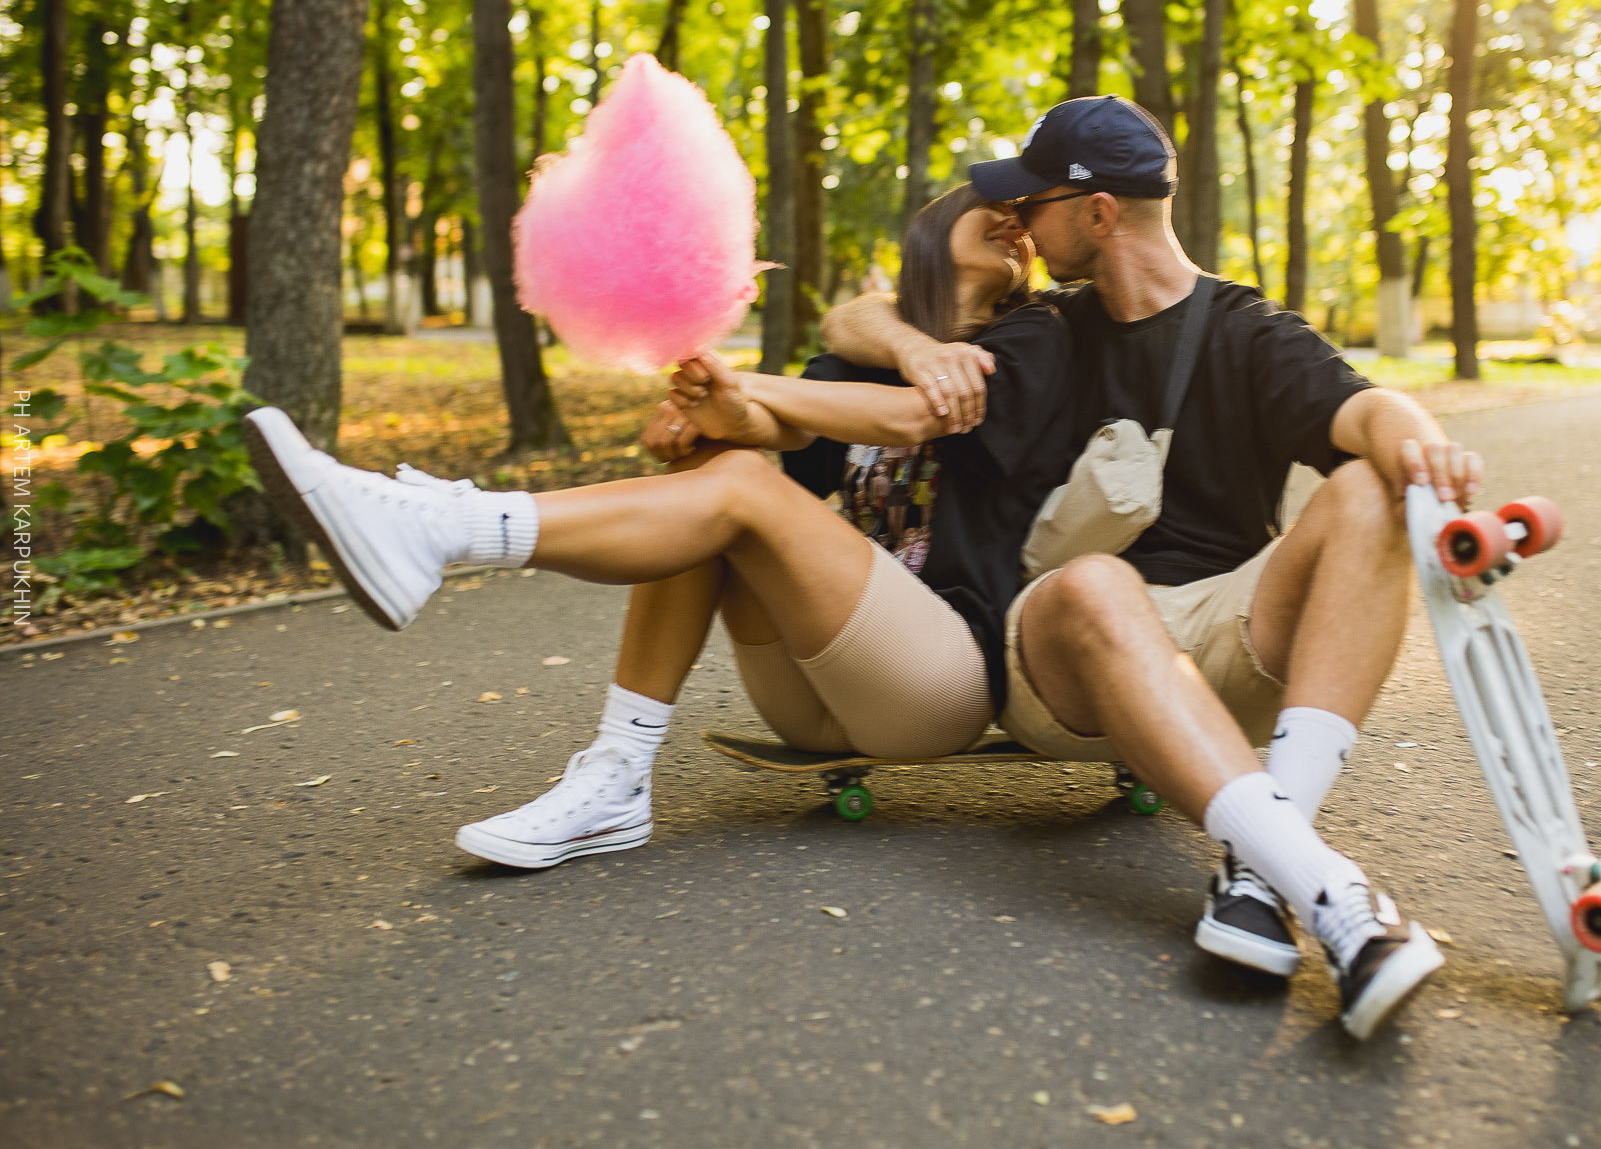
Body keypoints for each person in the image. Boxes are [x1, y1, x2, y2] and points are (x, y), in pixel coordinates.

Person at [820, 96, 1486, 1039]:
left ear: (1097, 214)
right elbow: (856, 318)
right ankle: (1330, 891)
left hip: (1225, 641)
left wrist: (1430, 451)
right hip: (1062, 647)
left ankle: (1264, 866)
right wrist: (915, 346)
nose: (1019, 225)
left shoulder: (1246, 329)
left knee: (1376, 485)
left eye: (1035, 204)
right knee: (1099, 583)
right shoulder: (1045, 326)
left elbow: (1368, 411)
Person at [244, 185, 1073, 869]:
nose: (1016, 219)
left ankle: (449, 526)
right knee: (713, 463)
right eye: (990, 203)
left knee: (741, 484)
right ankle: (616, 776)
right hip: (815, 692)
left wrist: (750, 389)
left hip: (942, 682)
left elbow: (915, 418)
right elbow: (789, 429)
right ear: (932, 229)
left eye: (1026, 221)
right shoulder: (871, 342)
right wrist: (710, 413)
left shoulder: (1034, 335)